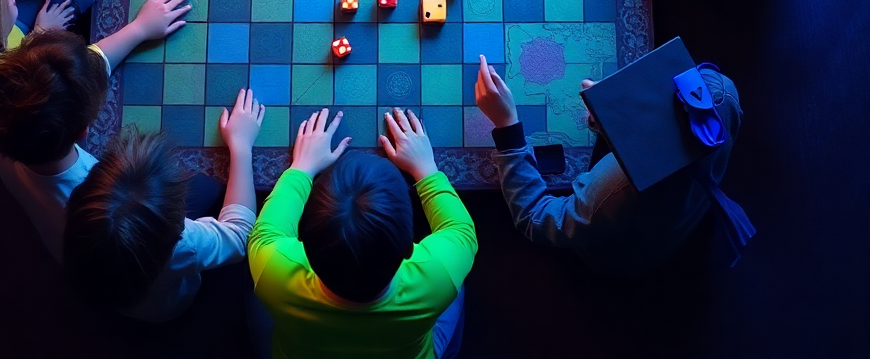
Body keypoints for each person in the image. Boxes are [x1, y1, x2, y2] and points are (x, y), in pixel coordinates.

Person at [0, 0, 191, 272]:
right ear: (83, 132)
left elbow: (76, 77)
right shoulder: (105, 195)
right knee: (202, 188)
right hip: (126, 273)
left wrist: (139, 29)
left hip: (68, 247)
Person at [474, 56, 745, 275]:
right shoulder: (722, 92)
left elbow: (535, 218)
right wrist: (615, 110)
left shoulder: (614, 187)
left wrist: (506, 124)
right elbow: (678, 125)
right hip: (682, 208)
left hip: (620, 254)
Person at [248, 107, 477, 359]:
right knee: (456, 282)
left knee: (256, 292)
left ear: (303, 246)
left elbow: (266, 231)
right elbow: (460, 229)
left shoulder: (273, 268)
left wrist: (301, 168)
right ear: (410, 248)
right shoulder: (434, 277)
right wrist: (425, 170)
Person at [63, 89, 264, 322]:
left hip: (114, 297)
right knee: (207, 186)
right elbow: (240, 236)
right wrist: (241, 146)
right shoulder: (185, 247)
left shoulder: (80, 225)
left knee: (204, 186)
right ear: (179, 223)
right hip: (169, 309)